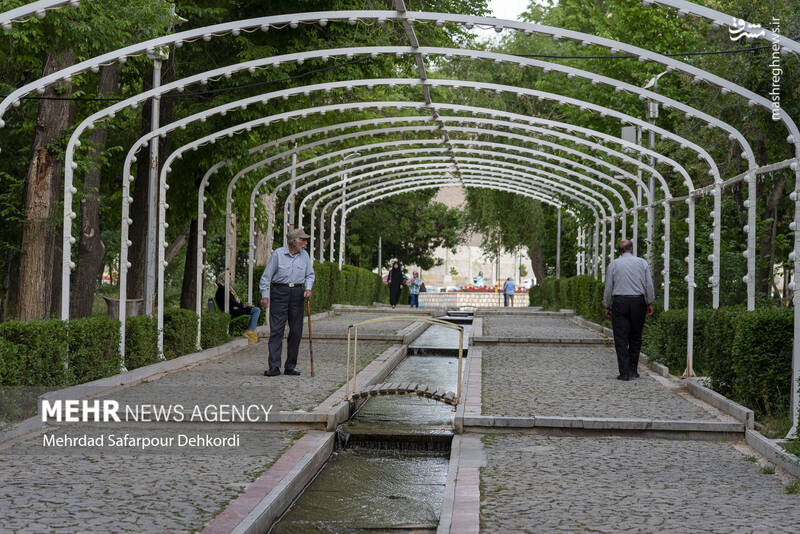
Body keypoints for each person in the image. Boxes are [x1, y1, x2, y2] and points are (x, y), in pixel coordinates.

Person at [259, 228, 315, 377]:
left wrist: (308, 289)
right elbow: (266, 277)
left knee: (296, 331)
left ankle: (290, 366)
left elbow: (310, 275)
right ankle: (274, 367)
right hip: (279, 292)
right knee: (277, 330)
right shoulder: (278, 254)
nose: (305, 243)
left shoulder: (305, 256)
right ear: (294, 241)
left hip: (297, 293)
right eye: (303, 240)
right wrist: (265, 295)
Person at [603, 239, 655, 381]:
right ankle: (633, 370)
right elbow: (649, 285)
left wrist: (607, 305)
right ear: (631, 249)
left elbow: (608, 287)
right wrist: (649, 302)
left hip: (620, 302)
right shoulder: (642, 263)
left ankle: (624, 372)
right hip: (638, 302)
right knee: (636, 337)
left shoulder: (613, 264)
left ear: (619, 251)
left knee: (620, 338)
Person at [215, 273, 260, 343]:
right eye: (230, 278)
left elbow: (233, 302)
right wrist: (242, 305)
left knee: (255, 309)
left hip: (233, 309)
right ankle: (249, 331)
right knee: (256, 310)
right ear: (224, 279)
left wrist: (242, 304)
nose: (231, 280)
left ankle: (250, 331)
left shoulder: (225, 288)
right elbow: (231, 302)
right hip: (230, 311)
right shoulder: (222, 289)